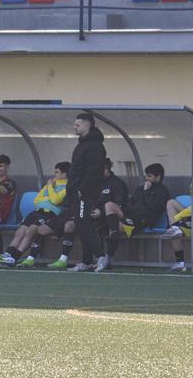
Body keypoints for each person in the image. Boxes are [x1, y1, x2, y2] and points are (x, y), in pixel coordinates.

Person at [53, 112, 107, 272]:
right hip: (76, 192)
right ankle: (86, 261)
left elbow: (93, 171)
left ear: (88, 125)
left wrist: (82, 190)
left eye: (78, 125)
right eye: (74, 124)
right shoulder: (82, 144)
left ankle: (101, 257)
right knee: (81, 224)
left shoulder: (95, 146)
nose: (74, 127)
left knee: (84, 224)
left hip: (85, 193)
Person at [0, 162, 69, 267]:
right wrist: (49, 195)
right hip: (37, 210)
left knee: (30, 230)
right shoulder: (52, 183)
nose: (55, 175)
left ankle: (15, 257)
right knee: (20, 231)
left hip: (50, 213)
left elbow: (56, 200)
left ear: (64, 174)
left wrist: (50, 188)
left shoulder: (67, 186)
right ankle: (8, 254)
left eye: (57, 173)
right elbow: (37, 199)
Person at [103, 162, 171, 264]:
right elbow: (131, 203)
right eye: (146, 176)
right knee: (109, 205)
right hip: (130, 215)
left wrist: (147, 192)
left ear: (158, 177)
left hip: (143, 220)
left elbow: (154, 207)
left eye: (150, 176)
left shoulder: (163, 191)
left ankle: (107, 258)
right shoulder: (141, 188)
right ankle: (113, 235)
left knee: (115, 227)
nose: (146, 179)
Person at [88, 158, 128, 271]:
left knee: (107, 228)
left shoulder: (117, 183)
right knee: (86, 225)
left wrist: (101, 212)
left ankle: (104, 259)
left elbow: (118, 205)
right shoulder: (96, 183)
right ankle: (95, 259)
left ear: (106, 168)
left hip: (115, 216)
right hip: (98, 216)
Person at [0, 155, 17, 228]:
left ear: (7, 167)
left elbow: (1, 190)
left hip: (2, 216)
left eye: (1, 166)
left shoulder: (11, 182)